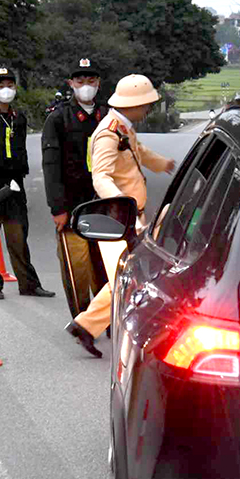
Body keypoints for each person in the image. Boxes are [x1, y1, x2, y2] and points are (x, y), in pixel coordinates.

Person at [64, 74, 176, 357]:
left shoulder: (123, 127)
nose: (148, 109)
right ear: (135, 104)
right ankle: (90, 327)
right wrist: (125, 208)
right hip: (118, 218)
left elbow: (140, 153)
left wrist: (164, 165)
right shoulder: (108, 132)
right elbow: (100, 176)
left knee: (125, 277)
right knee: (125, 279)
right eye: (146, 104)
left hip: (126, 215)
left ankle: (85, 326)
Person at [0, 63, 55, 300]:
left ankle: (28, 284)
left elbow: (22, 151)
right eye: (0, 85)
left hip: (15, 185)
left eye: (10, 85)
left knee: (18, 237)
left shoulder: (19, 118)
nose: (6, 89)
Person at [42, 58, 110, 317]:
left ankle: (103, 317)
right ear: (71, 84)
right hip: (72, 203)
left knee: (104, 263)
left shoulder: (108, 116)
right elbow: (51, 166)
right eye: (80, 81)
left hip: (104, 202)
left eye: (91, 81)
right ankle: (82, 318)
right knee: (77, 266)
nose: (86, 86)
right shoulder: (58, 118)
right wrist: (57, 207)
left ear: (98, 83)